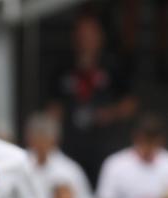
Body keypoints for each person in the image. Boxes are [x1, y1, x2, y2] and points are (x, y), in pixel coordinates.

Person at [47, 12, 139, 186]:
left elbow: (131, 103)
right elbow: (53, 106)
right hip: (70, 143)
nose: (85, 40)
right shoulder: (63, 66)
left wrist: (110, 113)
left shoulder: (113, 65)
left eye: (90, 35)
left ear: (100, 37)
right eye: (81, 35)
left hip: (104, 144)